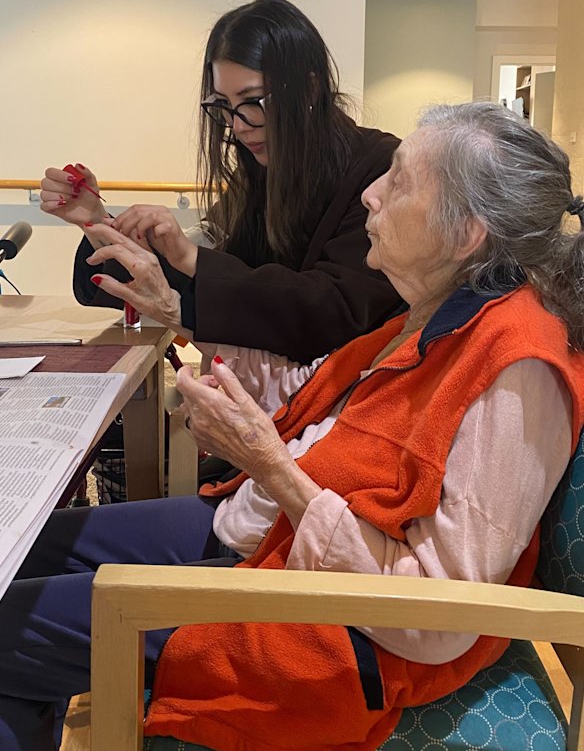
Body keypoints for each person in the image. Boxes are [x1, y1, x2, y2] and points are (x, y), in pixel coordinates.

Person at [4, 102, 584, 751]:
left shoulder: (517, 369)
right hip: (266, 532)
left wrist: (265, 461)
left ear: (466, 234)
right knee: (18, 544)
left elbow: (439, 620)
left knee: (7, 630)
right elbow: (313, 403)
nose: (369, 196)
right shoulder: (435, 311)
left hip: (326, 620)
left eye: (397, 183)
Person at [39, 0, 402, 365]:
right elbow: (204, 290)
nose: (238, 126)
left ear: (309, 90)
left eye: (254, 101)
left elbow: (335, 311)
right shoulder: (260, 171)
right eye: (224, 106)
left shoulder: (381, 169)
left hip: (349, 399)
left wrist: (191, 257)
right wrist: (98, 222)